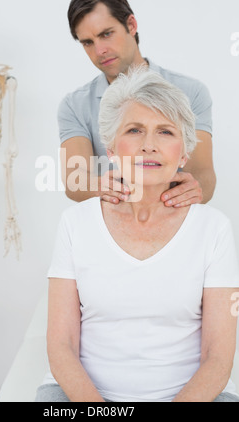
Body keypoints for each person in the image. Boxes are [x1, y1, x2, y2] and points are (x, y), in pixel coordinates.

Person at [36, 67, 239, 403]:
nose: (149, 146)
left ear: (184, 154)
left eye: (165, 132)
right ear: (112, 149)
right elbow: (61, 346)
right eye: (134, 130)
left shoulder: (214, 228)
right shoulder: (75, 223)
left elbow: (218, 357)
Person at [59, 0, 216, 207]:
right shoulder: (75, 105)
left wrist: (194, 187)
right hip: (112, 224)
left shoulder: (191, 92)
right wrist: (101, 187)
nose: (99, 50)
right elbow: (75, 180)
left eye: (106, 34)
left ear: (131, 25)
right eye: (88, 42)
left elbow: (203, 173)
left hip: (174, 220)